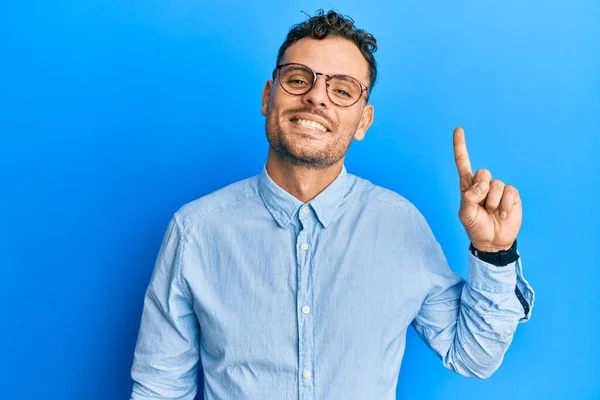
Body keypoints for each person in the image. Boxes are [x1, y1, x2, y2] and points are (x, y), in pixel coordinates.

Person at [130, 9, 534, 400]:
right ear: (269, 96)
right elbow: (160, 388)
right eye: (298, 79)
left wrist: (495, 254)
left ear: (363, 121)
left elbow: (473, 356)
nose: (316, 98)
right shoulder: (196, 230)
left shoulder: (400, 225)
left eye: (341, 90)